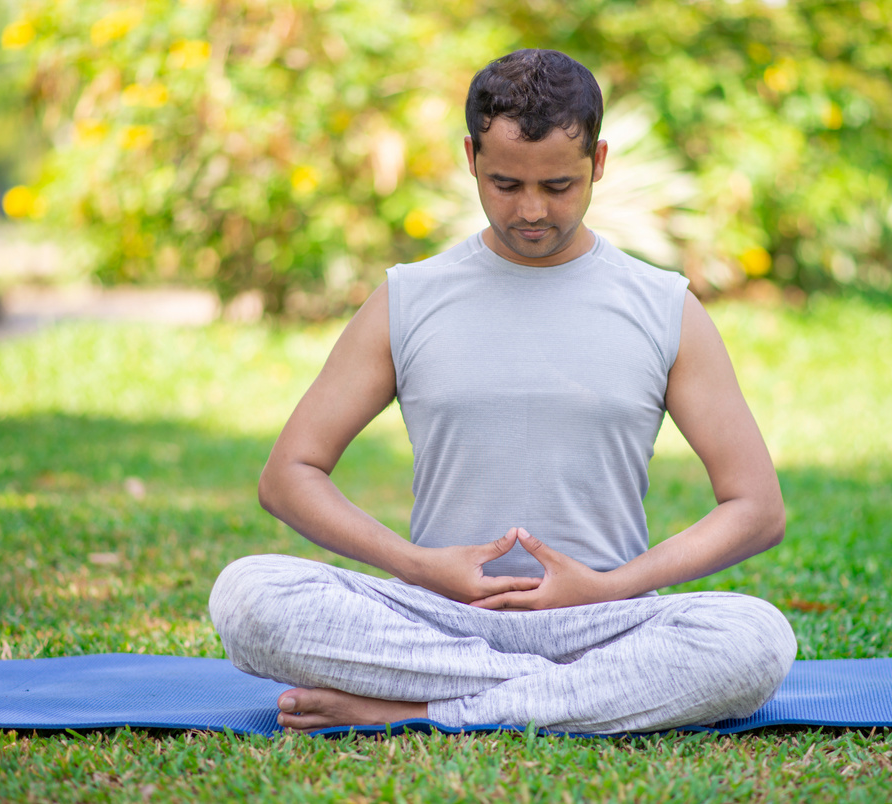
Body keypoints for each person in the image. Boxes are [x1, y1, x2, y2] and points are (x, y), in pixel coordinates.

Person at [209, 49, 796, 734]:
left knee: (756, 637)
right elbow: (288, 476)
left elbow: (757, 508)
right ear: (470, 158)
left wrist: (608, 587)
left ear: (598, 163)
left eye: (559, 185)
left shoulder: (663, 305)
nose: (532, 211)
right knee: (249, 597)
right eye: (506, 184)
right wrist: (420, 567)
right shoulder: (410, 297)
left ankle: (419, 710)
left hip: (605, 620)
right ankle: (555, 701)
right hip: (436, 617)